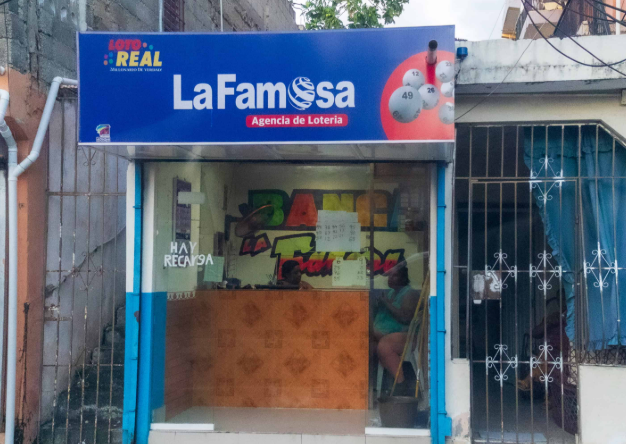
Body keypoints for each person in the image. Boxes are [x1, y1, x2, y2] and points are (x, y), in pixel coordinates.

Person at [371, 264, 421, 395]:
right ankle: (373, 388)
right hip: (387, 334)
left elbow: (405, 318)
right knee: (367, 346)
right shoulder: (391, 292)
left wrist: (387, 303)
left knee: (384, 346)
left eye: (395, 276)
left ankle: (401, 384)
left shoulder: (409, 293)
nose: (390, 279)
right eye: (390, 276)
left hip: (406, 336)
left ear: (403, 278)